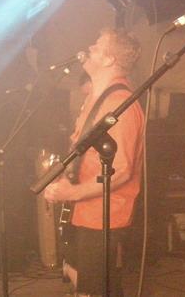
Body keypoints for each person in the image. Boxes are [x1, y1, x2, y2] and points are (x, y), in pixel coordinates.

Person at [45, 28, 144, 297]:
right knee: (85, 282)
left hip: (103, 216)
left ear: (110, 59)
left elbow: (121, 170)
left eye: (97, 46)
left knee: (98, 289)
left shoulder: (121, 104)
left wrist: (71, 192)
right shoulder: (95, 97)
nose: (89, 48)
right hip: (84, 210)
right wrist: (62, 179)